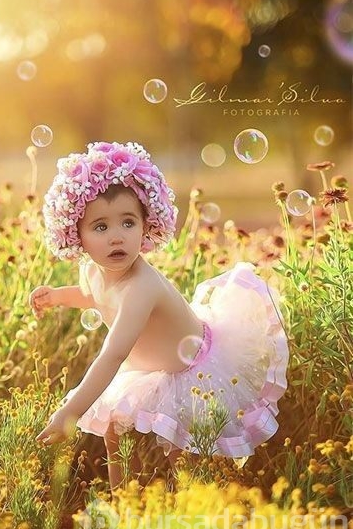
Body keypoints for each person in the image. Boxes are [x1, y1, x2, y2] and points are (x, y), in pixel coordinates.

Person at [31, 141, 289, 489]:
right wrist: (59, 297)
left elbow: (113, 355)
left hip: (192, 368)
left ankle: (194, 500)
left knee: (180, 446)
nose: (117, 237)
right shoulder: (93, 270)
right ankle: (122, 496)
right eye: (101, 227)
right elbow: (93, 296)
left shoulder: (141, 287)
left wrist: (70, 414)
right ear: (75, 234)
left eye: (128, 222)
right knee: (113, 428)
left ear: (146, 224)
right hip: (149, 366)